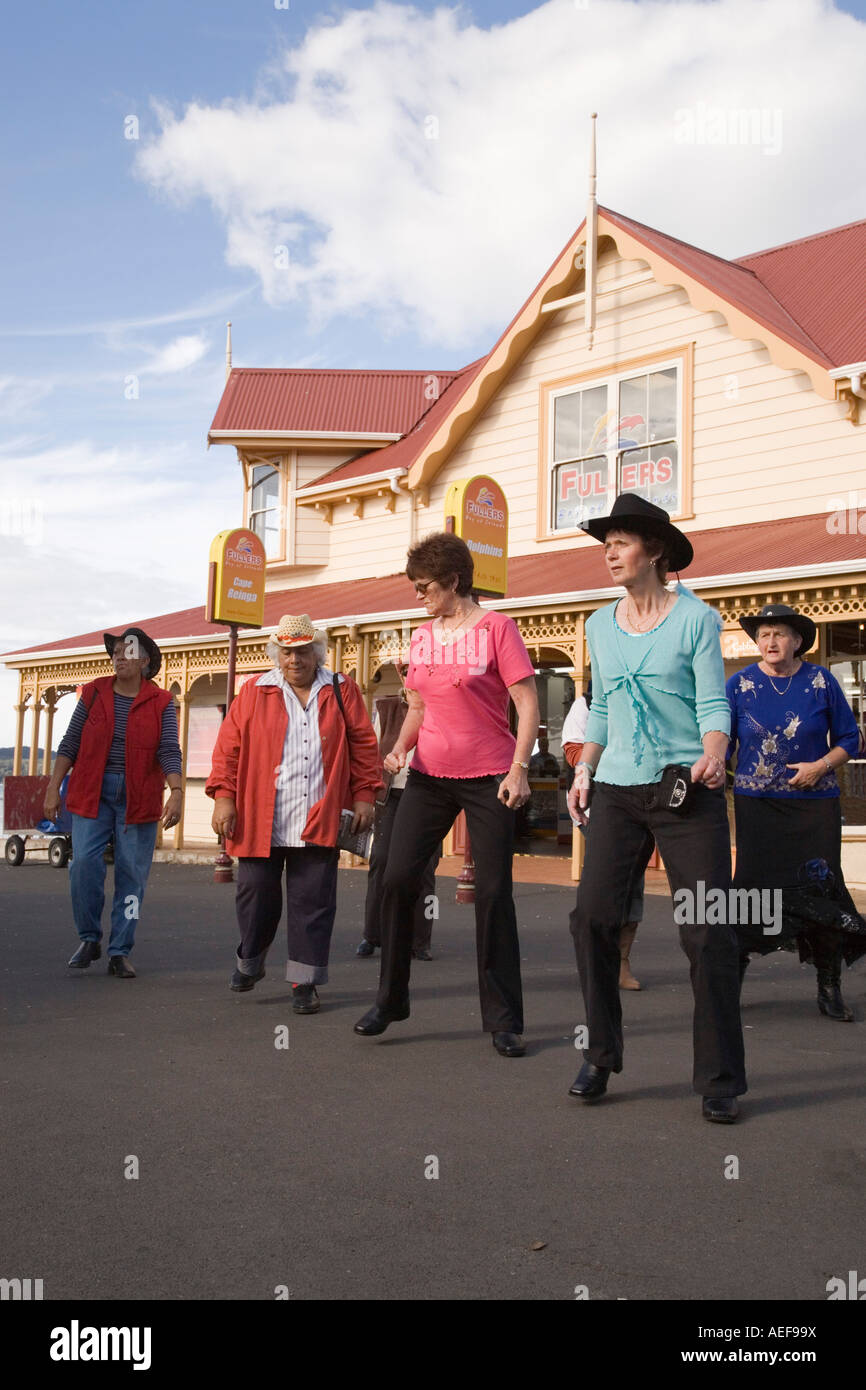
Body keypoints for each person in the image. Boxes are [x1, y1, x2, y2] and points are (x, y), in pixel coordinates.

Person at [567, 494, 746, 1123]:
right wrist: (584, 769)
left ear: (657, 551)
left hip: (685, 788)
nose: (610, 552)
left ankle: (719, 1078)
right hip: (617, 788)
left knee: (708, 930)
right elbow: (606, 709)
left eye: (621, 541)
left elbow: (712, 705)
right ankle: (599, 1053)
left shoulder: (697, 619)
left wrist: (715, 753)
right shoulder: (596, 625)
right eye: (605, 543)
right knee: (591, 917)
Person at [353, 533, 539, 1056]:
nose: (419, 594)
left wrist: (519, 769)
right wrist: (399, 750)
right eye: (415, 586)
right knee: (395, 876)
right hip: (431, 775)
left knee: (495, 893)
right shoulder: (420, 636)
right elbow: (417, 707)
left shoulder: (498, 628)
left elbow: (526, 705)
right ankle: (391, 1000)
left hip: (490, 776)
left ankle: (504, 1019)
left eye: (425, 586)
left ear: (453, 580)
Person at [207, 614, 380, 1013]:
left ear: (315, 652)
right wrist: (223, 797)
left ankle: (305, 981)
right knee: (255, 895)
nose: (294, 660)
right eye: (286, 652)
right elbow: (228, 749)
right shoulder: (254, 691)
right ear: (277, 654)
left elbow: (363, 746)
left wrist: (364, 795)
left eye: (302, 651)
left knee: (313, 901)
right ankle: (250, 961)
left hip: (319, 814)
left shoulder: (342, 689)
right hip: (260, 816)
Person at [727, 604, 866, 1019]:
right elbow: (720, 741)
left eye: (780, 634)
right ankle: (729, 987)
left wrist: (821, 765)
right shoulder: (739, 684)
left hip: (814, 809)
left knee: (820, 890)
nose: (771, 642)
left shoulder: (821, 681)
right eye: (765, 634)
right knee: (750, 892)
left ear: (798, 641)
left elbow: (850, 739)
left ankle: (829, 988)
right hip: (757, 808)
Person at [44, 626, 182, 978]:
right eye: (116, 651)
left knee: (132, 877)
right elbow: (70, 742)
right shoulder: (92, 694)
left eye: (128, 651)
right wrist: (53, 787)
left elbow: (168, 749)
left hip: (139, 796)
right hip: (92, 791)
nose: (120, 656)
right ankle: (89, 937)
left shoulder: (162, 702)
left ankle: (120, 949)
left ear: (145, 661)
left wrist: (178, 792)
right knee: (83, 866)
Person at [563, 686, 645, 990]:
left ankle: (622, 962)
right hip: (600, 803)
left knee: (633, 884)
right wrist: (611, 755)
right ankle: (597, 958)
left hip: (642, 799)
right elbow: (572, 749)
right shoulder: (585, 705)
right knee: (601, 885)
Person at [357, 661, 439, 961]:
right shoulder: (387, 708)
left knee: (426, 870)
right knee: (381, 861)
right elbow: (371, 754)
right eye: (404, 670)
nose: (409, 674)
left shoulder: (441, 706)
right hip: (393, 795)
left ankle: (421, 939)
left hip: (431, 796)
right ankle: (372, 934)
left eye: (414, 668)